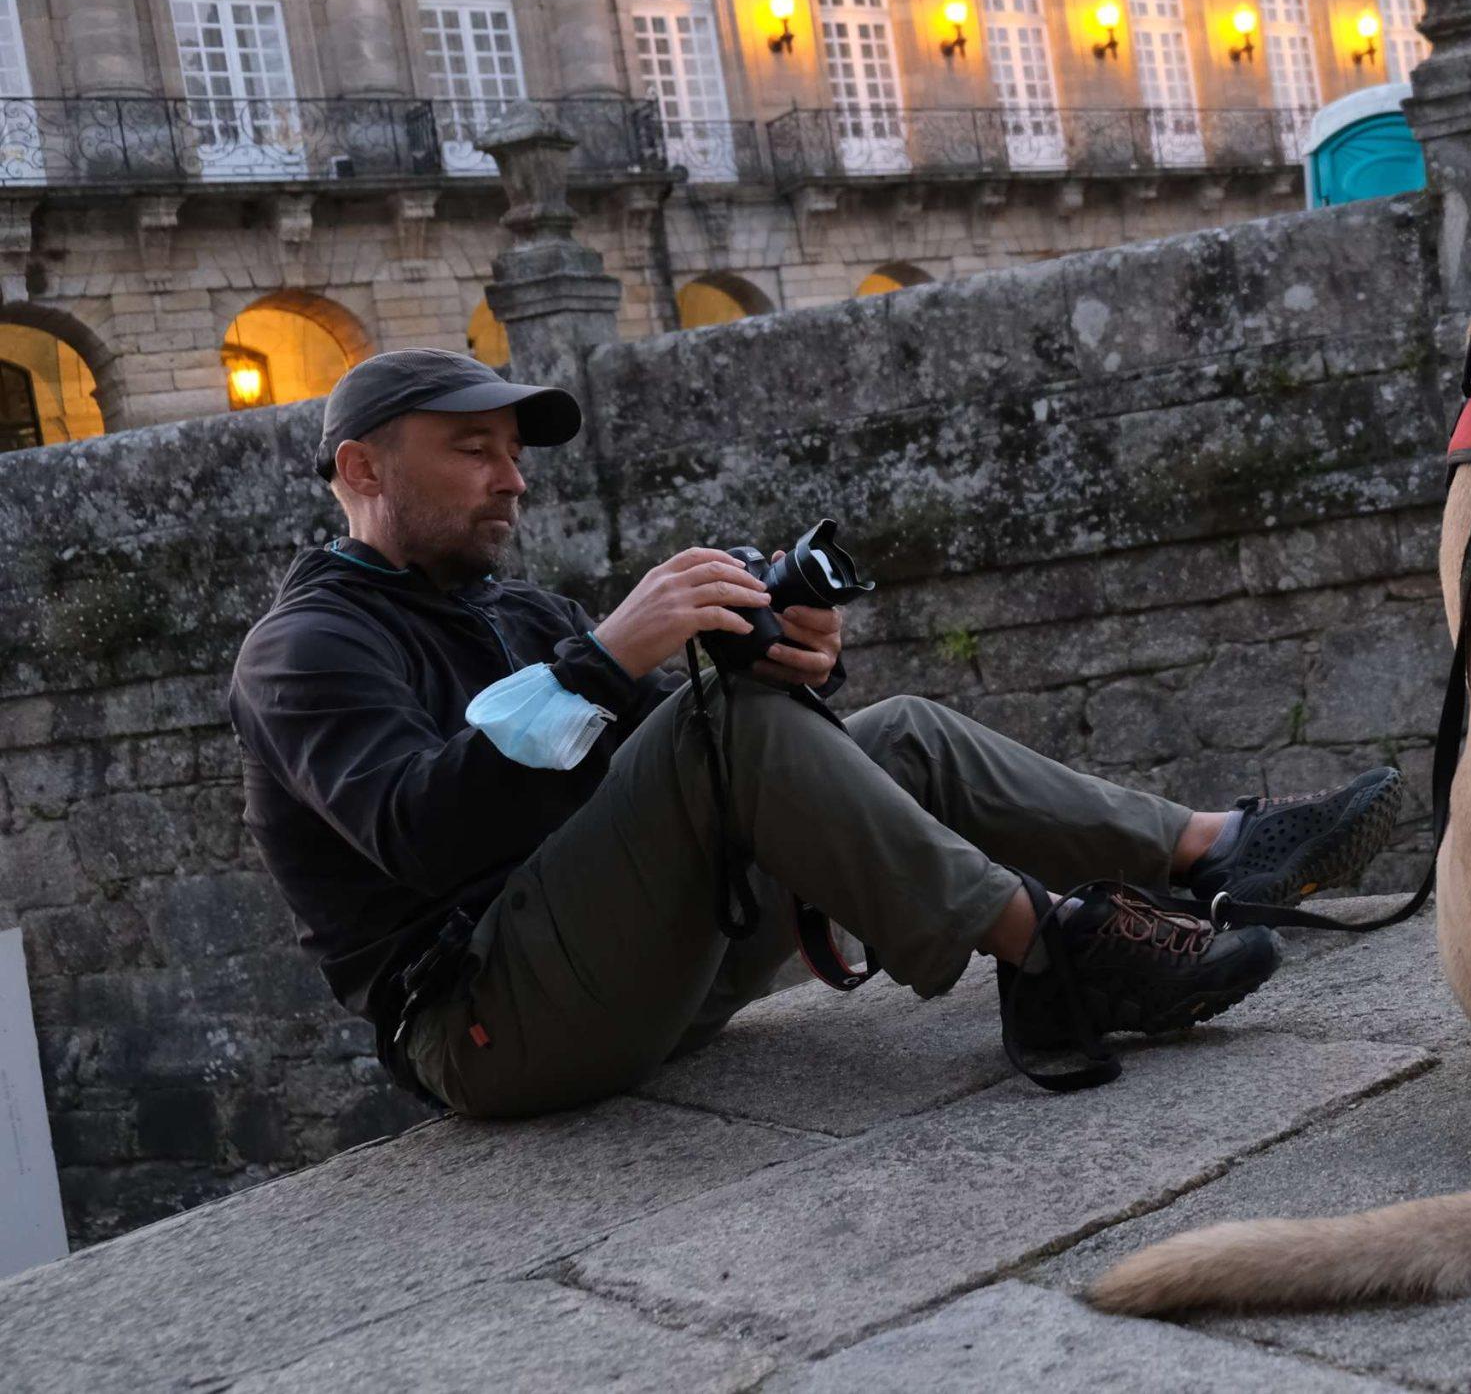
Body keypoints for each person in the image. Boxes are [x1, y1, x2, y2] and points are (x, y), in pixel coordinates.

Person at [224, 348, 1401, 1117]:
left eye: (515, 457)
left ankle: (1212, 849)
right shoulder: (307, 648)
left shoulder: (514, 611)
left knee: (894, 731)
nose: (511, 481)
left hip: (643, 978)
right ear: (360, 467)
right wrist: (607, 655)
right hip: (489, 1029)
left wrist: (794, 663)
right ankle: (1053, 949)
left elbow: (708, 769)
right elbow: (420, 834)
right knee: (720, 721)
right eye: (471, 450)